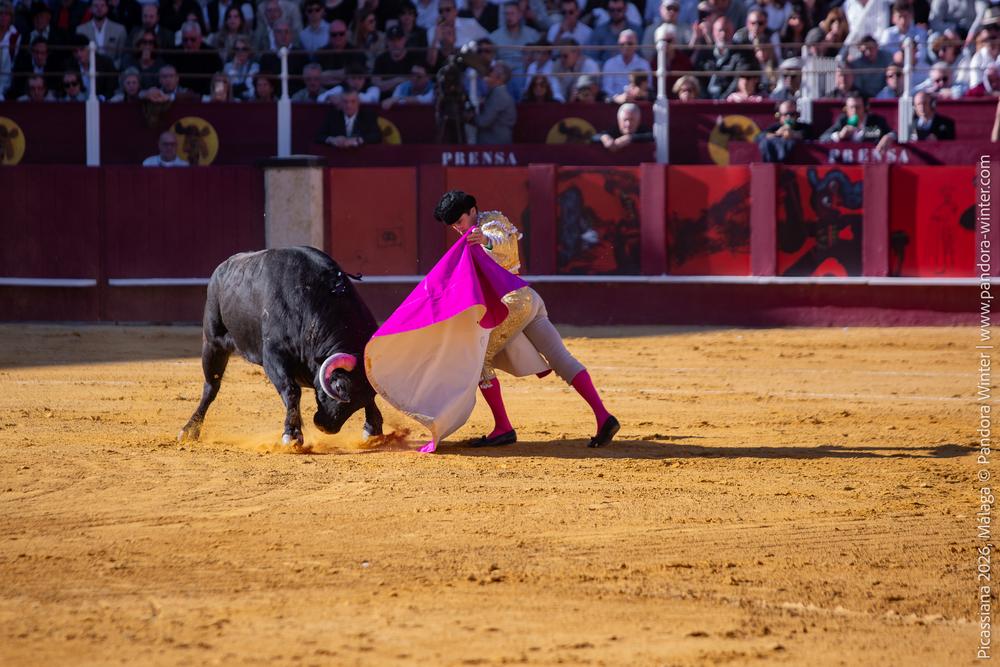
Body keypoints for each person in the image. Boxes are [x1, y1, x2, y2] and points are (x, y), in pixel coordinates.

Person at [412, 190, 619, 453]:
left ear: (473, 211)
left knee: (479, 358)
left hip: (512, 303)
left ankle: (503, 428)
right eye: (452, 225)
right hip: (527, 299)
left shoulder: (490, 224)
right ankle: (604, 417)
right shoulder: (472, 233)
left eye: (459, 221)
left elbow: (502, 242)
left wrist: (484, 239)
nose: (457, 228)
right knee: (560, 357)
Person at [821, 91, 896, 150]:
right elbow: (823, 138)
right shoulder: (842, 121)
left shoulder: (876, 120)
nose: (854, 111)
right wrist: (839, 135)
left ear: (865, 107)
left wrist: (889, 136)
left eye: (857, 107)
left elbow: (893, 134)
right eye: (851, 107)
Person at [315, 87, 383, 147]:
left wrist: (357, 140)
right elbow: (318, 136)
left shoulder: (368, 115)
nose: (349, 105)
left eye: (353, 101)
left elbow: (377, 136)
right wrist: (332, 139)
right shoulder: (333, 115)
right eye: (345, 102)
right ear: (341, 102)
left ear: (358, 102)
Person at [76, 0, 128, 68]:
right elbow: (78, 54)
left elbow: (122, 56)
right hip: (88, 71)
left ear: (107, 8)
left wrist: (111, 67)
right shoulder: (81, 30)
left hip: (112, 72)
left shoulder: (119, 30)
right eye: (96, 6)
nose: (99, 8)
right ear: (90, 8)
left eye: (102, 5)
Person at [476, 61, 516, 143]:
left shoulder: (499, 94)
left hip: (495, 146)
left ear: (501, 77)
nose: (488, 73)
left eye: (491, 71)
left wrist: (470, 118)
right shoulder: (495, 92)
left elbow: (483, 122)